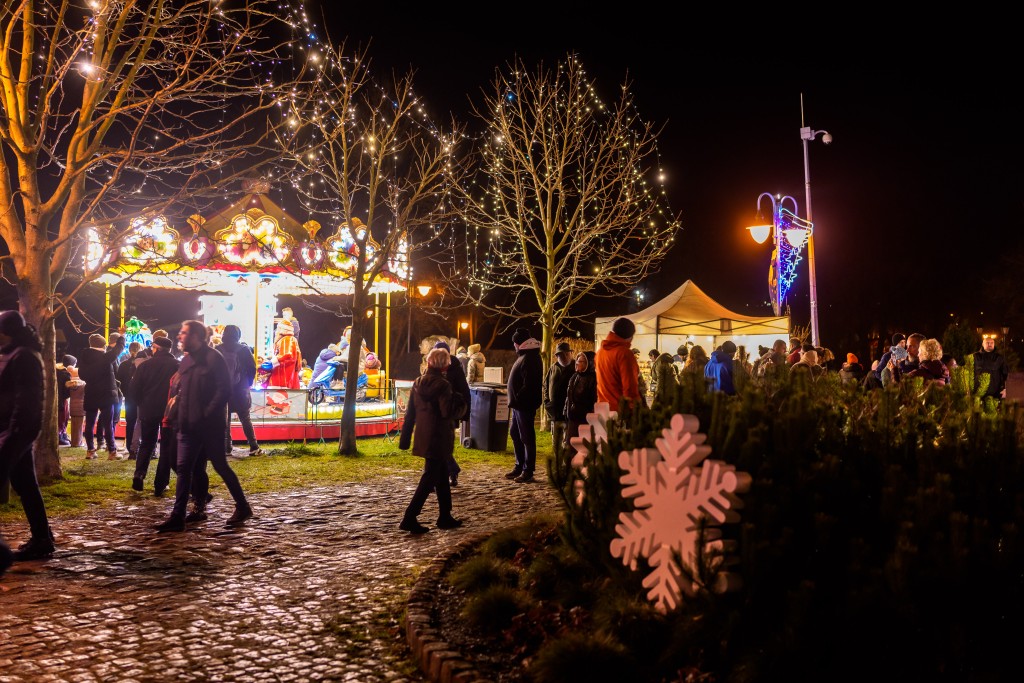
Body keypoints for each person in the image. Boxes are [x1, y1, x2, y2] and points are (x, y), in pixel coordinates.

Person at [154, 321, 252, 532]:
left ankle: (243, 506)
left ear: (197, 337)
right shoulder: (187, 360)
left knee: (220, 466)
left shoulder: (214, 358)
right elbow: (182, 391)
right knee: (183, 469)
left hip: (210, 426)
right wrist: (179, 417)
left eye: (185, 333)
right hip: (187, 425)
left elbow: (223, 390)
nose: (180, 336)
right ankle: (178, 516)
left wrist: (206, 414)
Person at [0, 310, 55, 570]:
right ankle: (42, 538)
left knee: (23, 485)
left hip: (15, 431)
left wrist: (14, 433)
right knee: (26, 485)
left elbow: (26, 400)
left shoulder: (23, 356)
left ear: (6, 331)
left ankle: (9, 550)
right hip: (13, 430)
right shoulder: (16, 353)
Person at [397, 347, 463, 533]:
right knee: (429, 478)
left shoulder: (418, 382)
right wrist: (460, 404)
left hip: (424, 436)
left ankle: (445, 516)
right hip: (439, 437)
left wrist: (405, 439)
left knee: (441, 476)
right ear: (445, 366)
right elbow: (447, 412)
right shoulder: (443, 385)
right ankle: (409, 517)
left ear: (428, 362)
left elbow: (410, 414)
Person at [128, 336, 180, 492]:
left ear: (156, 348)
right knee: (166, 446)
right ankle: (161, 483)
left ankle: (139, 474)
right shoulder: (177, 365)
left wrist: (142, 403)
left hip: (148, 409)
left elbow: (134, 389)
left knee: (147, 443)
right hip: (169, 411)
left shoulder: (145, 365)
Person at [78, 331, 125, 460]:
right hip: (106, 394)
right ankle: (112, 451)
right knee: (108, 423)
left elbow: (82, 375)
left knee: (89, 423)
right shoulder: (105, 357)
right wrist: (122, 336)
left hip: (91, 393)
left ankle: (90, 451)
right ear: (103, 345)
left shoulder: (84, 358)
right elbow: (119, 348)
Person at [216, 324, 261, 457]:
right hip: (240, 389)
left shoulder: (218, 349)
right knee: (245, 417)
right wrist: (247, 383)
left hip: (223, 390)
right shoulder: (244, 349)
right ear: (238, 335)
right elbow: (252, 368)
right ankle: (253, 446)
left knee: (225, 419)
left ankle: (226, 448)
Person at [506, 327, 543, 483]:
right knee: (515, 433)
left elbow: (530, 384)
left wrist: (518, 397)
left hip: (524, 404)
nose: (514, 346)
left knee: (526, 437)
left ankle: (528, 470)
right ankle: (519, 465)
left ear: (519, 343)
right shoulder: (525, 355)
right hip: (518, 405)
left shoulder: (531, 357)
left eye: (515, 343)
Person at [433, 340, 471, 487]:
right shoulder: (432, 367)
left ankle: (444, 474)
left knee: (439, 447)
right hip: (434, 414)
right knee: (437, 447)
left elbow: (464, 391)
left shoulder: (455, 368)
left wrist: (465, 414)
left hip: (449, 414)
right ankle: (444, 475)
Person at [595, 317, 641, 413]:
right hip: (620, 410)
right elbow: (629, 387)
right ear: (630, 336)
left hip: (603, 408)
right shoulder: (624, 353)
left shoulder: (600, 352)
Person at [543, 342, 576, 451]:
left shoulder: (575, 368)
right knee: (556, 443)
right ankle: (557, 460)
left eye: (567, 354)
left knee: (567, 443)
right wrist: (547, 402)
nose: (565, 357)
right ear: (557, 356)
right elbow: (545, 385)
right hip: (555, 413)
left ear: (571, 354)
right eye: (561, 355)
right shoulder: (553, 368)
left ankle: (566, 461)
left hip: (569, 414)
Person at [563, 350, 598, 448]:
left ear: (589, 363)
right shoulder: (574, 376)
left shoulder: (593, 379)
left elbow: (594, 401)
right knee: (570, 447)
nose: (577, 363)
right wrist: (566, 411)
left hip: (584, 420)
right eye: (577, 360)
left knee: (582, 448)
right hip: (572, 419)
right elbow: (569, 396)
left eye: (581, 361)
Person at [116, 341, 143, 458]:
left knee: (130, 421)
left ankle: (129, 446)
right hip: (141, 397)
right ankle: (137, 446)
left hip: (129, 397)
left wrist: (125, 392)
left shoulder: (123, 365)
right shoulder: (142, 364)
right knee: (140, 421)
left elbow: (119, 381)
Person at [973, 335, 1009, 399]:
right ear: (983, 344)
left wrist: (1005, 389)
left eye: (992, 343)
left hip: (995, 394)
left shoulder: (999, 358)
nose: (990, 344)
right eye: (987, 343)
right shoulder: (975, 357)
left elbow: (1005, 374)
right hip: (978, 394)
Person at [269, 318, 301, 389]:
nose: (276, 331)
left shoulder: (287, 339)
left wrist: (272, 362)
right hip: (286, 377)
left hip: (283, 378)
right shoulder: (289, 339)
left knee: (279, 395)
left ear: (281, 330)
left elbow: (287, 354)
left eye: (278, 328)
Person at [56, 354, 76, 446]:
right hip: (62, 400)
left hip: (59, 399)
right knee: (63, 418)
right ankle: (60, 436)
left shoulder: (58, 372)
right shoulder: (65, 374)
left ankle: (63, 435)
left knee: (63, 417)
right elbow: (66, 391)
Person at [66, 363, 86, 447]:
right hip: (80, 407)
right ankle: (78, 442)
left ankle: (73, 442)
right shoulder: (83, 384)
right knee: (79, 427)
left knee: (73, 426)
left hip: (72, 407)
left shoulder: (69, 384)